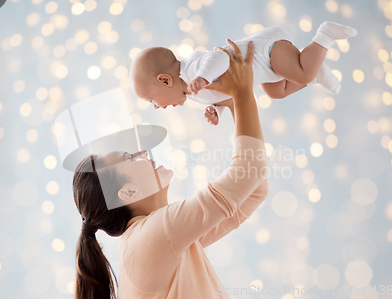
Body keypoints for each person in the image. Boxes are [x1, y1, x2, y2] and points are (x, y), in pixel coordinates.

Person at [72, 40, 268, 299]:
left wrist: (233, 102)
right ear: (128, 191)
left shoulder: (162, 239)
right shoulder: (157, 237)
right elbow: (249, 175)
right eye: (130, 157)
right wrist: (242, 94)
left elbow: (253, 189)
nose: (143, 153)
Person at [130, 21, 357, 125]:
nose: (156, 106)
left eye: (152, 100)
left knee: (301, 74)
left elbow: (219, 57)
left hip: (266, 51)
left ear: (165, 80)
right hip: (267, 72)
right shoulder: (191, 92)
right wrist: (217, 110)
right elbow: (225, 91)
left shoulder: (191, 70)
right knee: (277, 92)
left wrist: (203, 77)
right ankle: (315, 71)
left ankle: (324, 37)